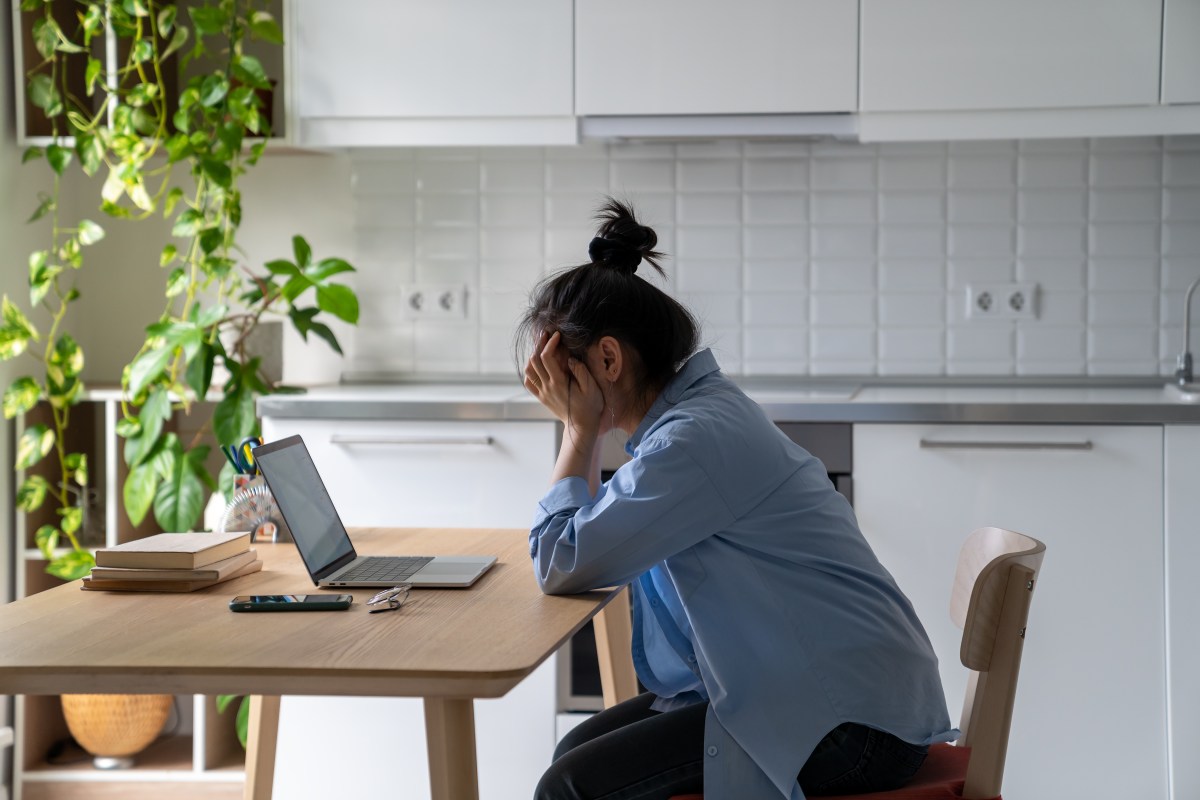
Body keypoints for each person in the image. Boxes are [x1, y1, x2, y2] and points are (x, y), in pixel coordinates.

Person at [517, 198, 956, 800]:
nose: (557, 393)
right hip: (841, 696)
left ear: (608, 359)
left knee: (570, 786)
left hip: (852, 729)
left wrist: (578, 431)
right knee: (574, 755)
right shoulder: (695, 420)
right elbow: (584, 541)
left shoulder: (690, 443)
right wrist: (584, 428)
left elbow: (561, 562)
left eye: (560, 374)